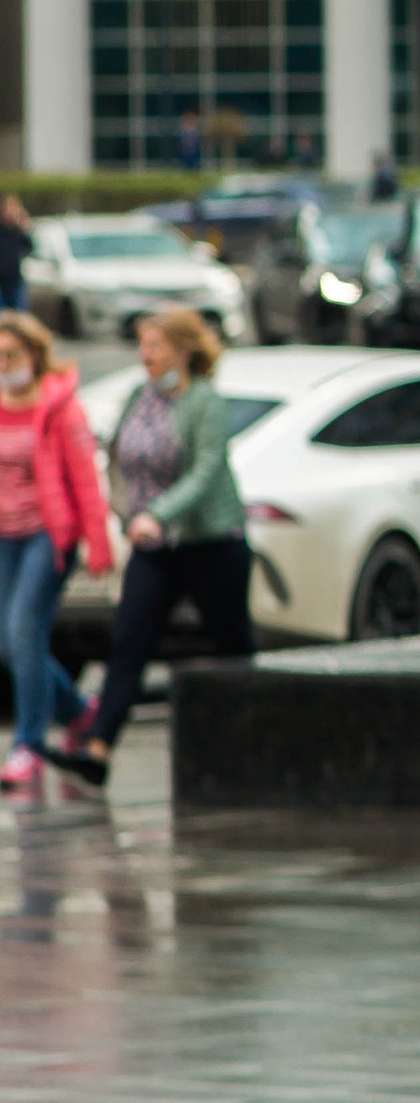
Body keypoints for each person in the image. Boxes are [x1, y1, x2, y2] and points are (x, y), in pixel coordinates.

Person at [46, 309, 253, 785]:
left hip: (210, 543)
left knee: (232, 645)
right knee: (129, 644)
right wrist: (123, 512)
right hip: (153, 548)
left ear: (184, 349)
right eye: (143, 346)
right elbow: (120, 457)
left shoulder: (205, 402)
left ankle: (251, 740)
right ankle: (98, 749)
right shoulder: (141, 398)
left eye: (156, 347)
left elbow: (206, 472)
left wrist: (156, 515)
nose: (146, 357)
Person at [0, 314, 111, 788]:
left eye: (11, 356)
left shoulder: (59, 405)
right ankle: (79, 710)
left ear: (35, 355)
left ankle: (28, 744)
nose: (4, 365)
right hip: (3, 534)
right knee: (8, 642)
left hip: (47, 533)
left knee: (25, 630)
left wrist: (98, 542)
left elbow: (85, 478)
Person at [0, 196, 30, 314]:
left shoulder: (18, 232)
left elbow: (29, 248)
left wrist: (24, 226)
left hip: (15, 281)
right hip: (1, 284)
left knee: (19, 319)